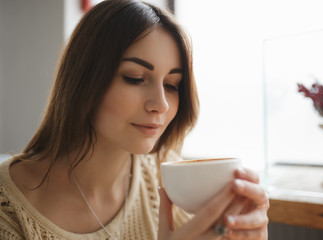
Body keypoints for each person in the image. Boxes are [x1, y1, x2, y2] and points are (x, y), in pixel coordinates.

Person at [0, 0, 269, 239]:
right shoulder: (9, 210)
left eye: (173, 85)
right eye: (135, 78)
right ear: (84, 80)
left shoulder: (171, 181)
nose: (161, 104)